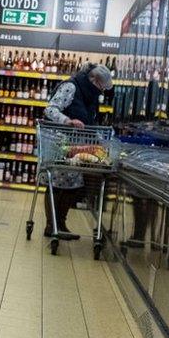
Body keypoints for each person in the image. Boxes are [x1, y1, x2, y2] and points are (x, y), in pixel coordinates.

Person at [43, 64, 114, 240]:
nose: (101, 92)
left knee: (74, 186)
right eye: (101, 87)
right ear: (94, 80)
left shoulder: (89, 96)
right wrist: (67, 120)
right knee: (57, 184)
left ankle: (60, 224)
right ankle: (52, 225)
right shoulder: (71, 86)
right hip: (60, 142)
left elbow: (89, 122)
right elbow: (50, 109)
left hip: (76, 147)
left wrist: (101, 141)